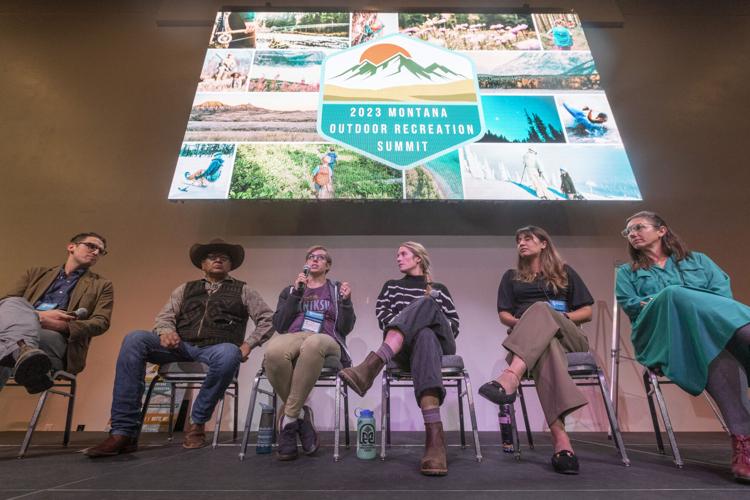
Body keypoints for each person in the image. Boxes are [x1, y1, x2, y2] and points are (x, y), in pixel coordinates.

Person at [84, 238, 274, 457]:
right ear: (203, 264)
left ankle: (197, 423)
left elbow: (267, 319)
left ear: (230, 265)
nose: (219, 259)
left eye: (225, 257)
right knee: (135, 338)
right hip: (181, 346)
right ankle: (122, 432)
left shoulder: (244, 290)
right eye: (212, 257)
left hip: (217, 349)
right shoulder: (185, 289)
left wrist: (249, 344)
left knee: (229, 352)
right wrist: (166, 332)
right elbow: (164, 317)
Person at [615, 211, 750, 482]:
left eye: (638, 227)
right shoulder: (627, 273)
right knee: (674, 295)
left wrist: (660, 300)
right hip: (660, 339)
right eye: (628, 231)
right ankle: (745, 442)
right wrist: (668, 300)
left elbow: (722, 298)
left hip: (709, 333)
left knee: (716, 348)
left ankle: (743, 441)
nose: (632, 234)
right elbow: (632, 306)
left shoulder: (699, 261)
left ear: (662, 230)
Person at [478, 226, 593, 474]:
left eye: (527, 238)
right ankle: (562, 442)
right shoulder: (511, 277)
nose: (521, 243)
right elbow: (504, 315)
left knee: (541, 309)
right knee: (545, 345)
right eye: (518, 239)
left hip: (569, 336)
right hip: (531, 341)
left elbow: (587, 311)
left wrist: (557, 316)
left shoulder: (565, 272)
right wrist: (527, 324)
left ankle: (511, 376)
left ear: (543, 243)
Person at [339, 242, 459, 476]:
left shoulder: (439, 289)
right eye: (397, 255)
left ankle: (372, 366)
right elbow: (384, 320)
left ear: (418, 259)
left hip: (441, 344)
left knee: (427, 305)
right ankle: (435, 440)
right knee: (423, 334)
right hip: (404, 350)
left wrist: (424, 312)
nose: (398, 258)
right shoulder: (391, 287)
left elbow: (453, 325)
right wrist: (416, 325)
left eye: (403, 254)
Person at [265, 245, 355, 460]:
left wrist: (347, 302)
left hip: (327, 339)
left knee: (313, 344)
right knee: (274, 351)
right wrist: (296, 293)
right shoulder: (290, 290)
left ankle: (288, 422)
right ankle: (300, 416)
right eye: (310, 257)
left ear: (328, 265)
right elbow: (280, 325)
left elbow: (345, 328)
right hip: (295, 336)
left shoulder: (335, 289)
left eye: (320, 258)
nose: (314, 260)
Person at [0, 232, 113, 394]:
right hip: (23, 331)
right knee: (13, 303)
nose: (96, 252)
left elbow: (101, 322)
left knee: (7, 340)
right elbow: (6, 304)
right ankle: (26, 358)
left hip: (59, 337)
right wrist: (37, 317)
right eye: (91, 246)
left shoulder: (102, 285)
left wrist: (63, 325)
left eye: (101, 251)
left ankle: (24, 353)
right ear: (71, 247)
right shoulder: (35, 273)